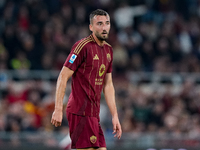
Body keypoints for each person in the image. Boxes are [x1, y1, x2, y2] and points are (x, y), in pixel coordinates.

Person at [51, 9, 122, 150]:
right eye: (99, 24)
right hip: (79, 111)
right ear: (91, 27)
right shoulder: (82, 46)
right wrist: (58, 108)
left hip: (94, 114)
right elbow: (63, 76)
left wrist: (115, 115)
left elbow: (108, 85)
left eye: (107, 23)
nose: (104, 27)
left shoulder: (109, 50)